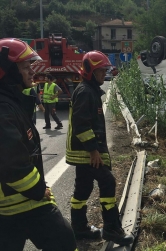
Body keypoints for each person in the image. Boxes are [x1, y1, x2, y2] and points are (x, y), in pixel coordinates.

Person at [0, 38, 77, 251]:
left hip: (12, 203)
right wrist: (38, 188)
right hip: (22, 201)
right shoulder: (4, 109)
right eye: (26, 67)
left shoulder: (11, 102)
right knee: (64, 242)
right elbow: (12, 163)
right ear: (8, 72)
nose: (32, 72)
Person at [66, 51, 134, 245]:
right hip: (87, 154)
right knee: (108, 182)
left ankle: (79, 229)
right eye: (100, 71)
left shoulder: (89, 90)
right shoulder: (86, 92)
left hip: (84, 153)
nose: (104, 74)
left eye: (105, 70)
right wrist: (93, 150)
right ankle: (111, 229)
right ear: (89, 71)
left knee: (83, 189)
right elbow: (81, 125)